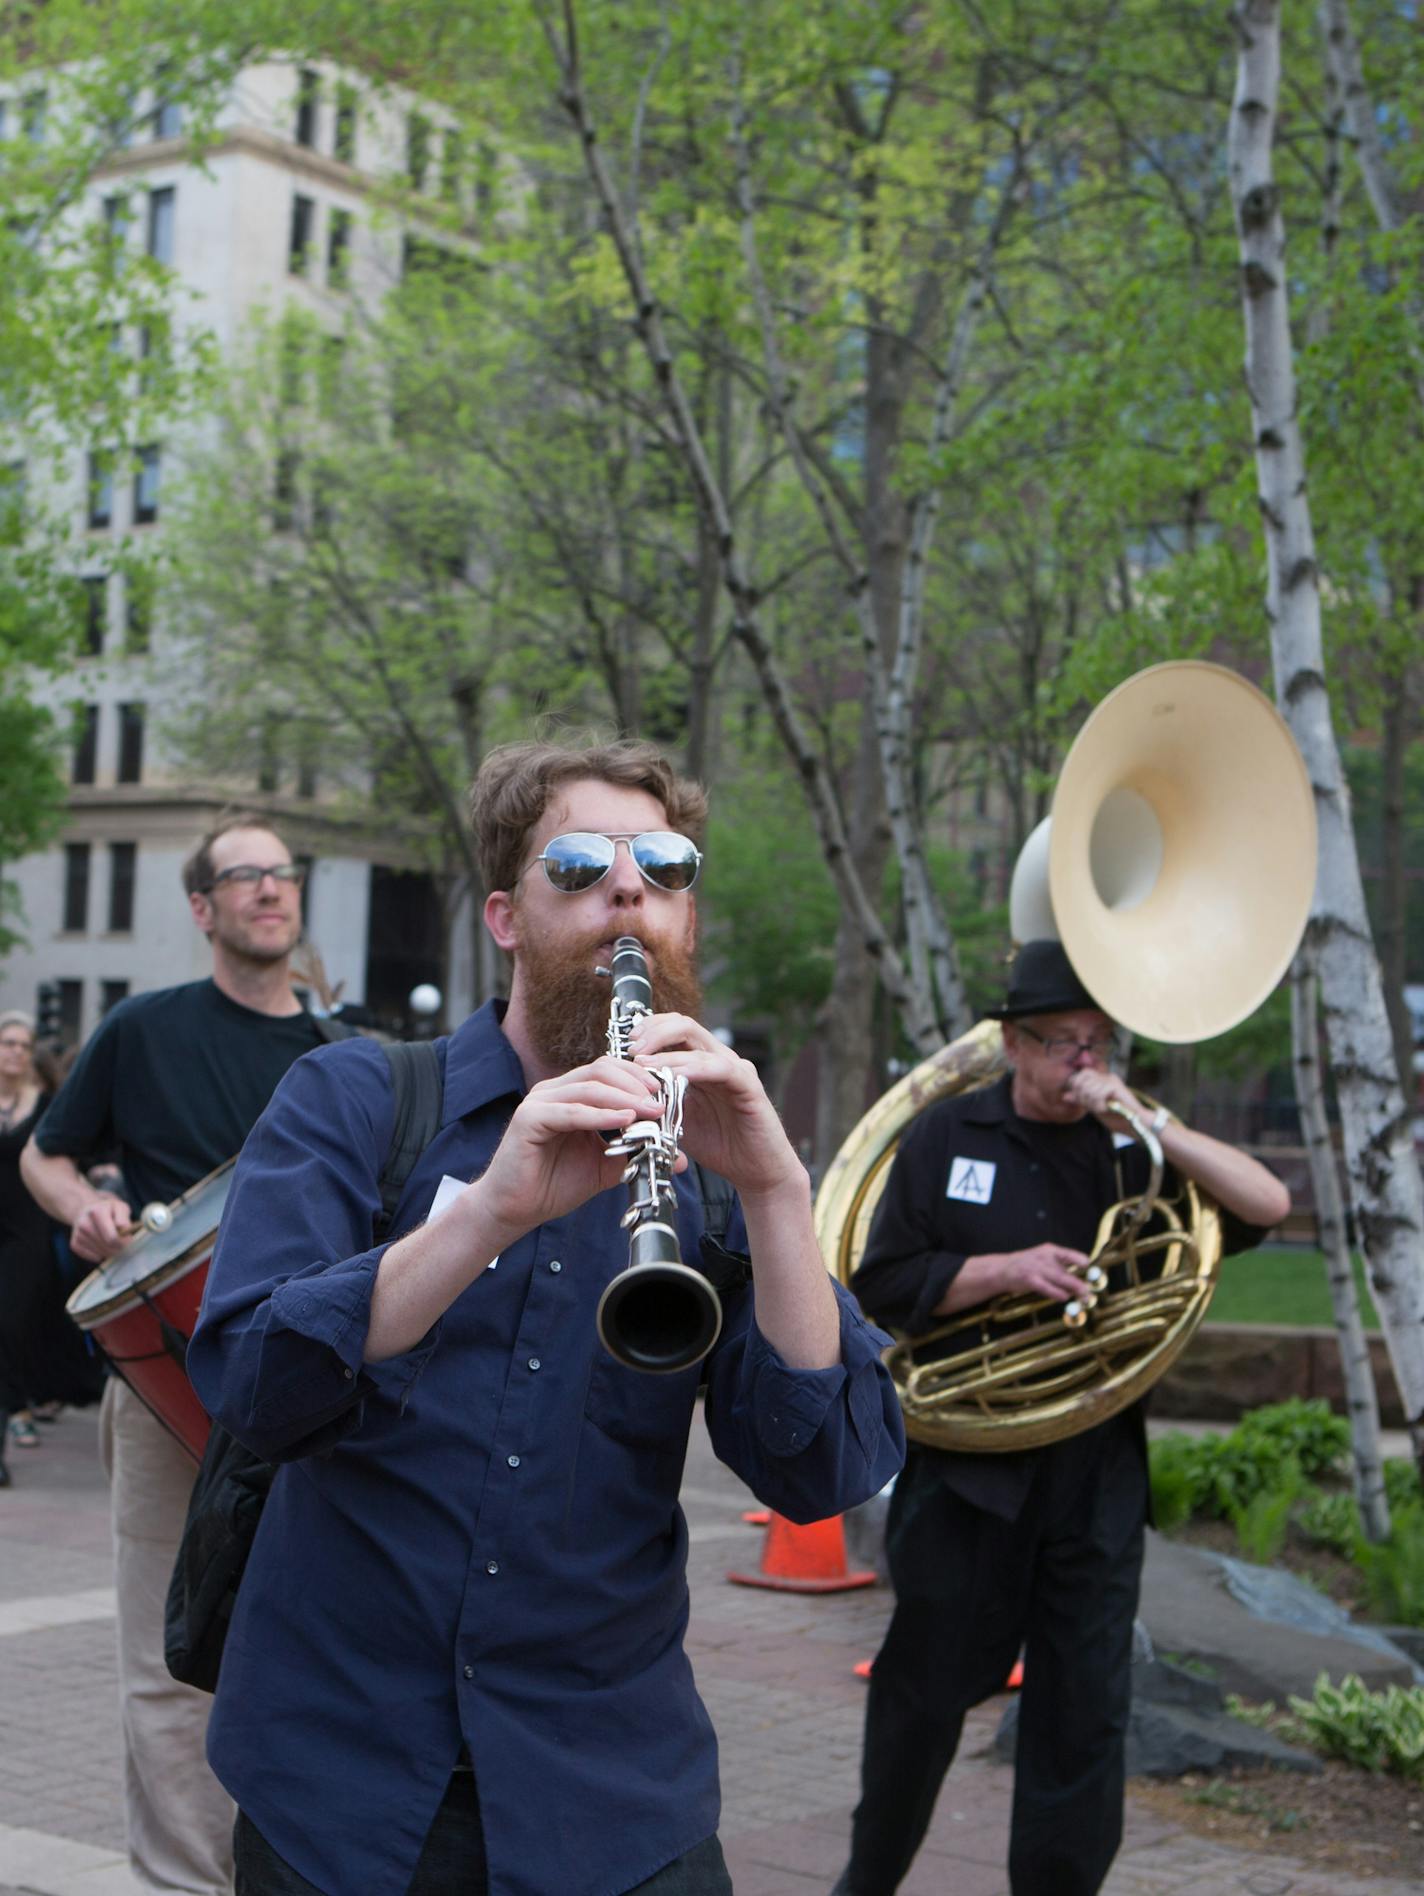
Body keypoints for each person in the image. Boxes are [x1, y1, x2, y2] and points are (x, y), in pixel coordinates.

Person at [186, 738, 907, 1896]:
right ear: (505, 918)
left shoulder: (719, 1169)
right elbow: (247, 1384)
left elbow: (818, 1473)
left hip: (609, 1794)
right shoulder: (355, 1096)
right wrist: (487, 1216)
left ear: (684, 918)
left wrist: (775, 1195)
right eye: (576, 865)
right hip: (342, 1785)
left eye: (664, 867)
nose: (627, 888)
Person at [832, 939, 1291, 1896]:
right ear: (1013, 1042)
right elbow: (879, 1284)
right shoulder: (948, 1136)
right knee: (922, 1699)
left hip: (1096, 1480)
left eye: (1099, 1043)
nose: (1082, 1062)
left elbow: (1268, 1202)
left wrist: (1145, 1113)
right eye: (1062, 1043)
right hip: (968, 1476)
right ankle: (867, 1881)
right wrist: (1004, 1272)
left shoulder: (1138, 1152)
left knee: (1083, 1716)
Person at [21, 813, 331, 1896]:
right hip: (164, 1402)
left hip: (308, 1398)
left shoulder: (344, 1059)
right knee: (167, 1663)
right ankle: (181, 1884)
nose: (268, 890)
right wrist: (86, 1215)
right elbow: (49, 1157)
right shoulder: (144, 1028)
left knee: (305, 1649)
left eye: (281, 873)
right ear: (201, 907)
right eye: (242, 876)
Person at [0, 1012, 102, 1481]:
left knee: (10, 1330)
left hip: (26, 1237)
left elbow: (71, 1160)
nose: (16, 1052)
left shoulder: (46, 1106)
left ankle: (10, 1423)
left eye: (23, 1044)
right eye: (8, 1043)